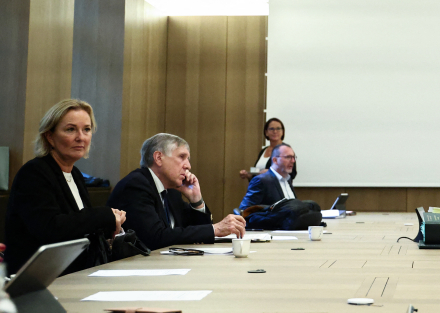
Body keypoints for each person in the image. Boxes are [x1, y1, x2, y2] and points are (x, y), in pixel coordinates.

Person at [4, 99, 126, 275]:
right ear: (50, 137)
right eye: (70, 129)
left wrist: (111, 226)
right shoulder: (33, 173)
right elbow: (50, 228)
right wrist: (103, 215)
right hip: (37, 278)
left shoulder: (75, 174)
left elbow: (79, 228)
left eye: (86, 129)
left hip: (74, 273)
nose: (81, 137)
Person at [107, 133, 246, 251]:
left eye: (188, 159)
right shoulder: (136, 185)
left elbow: (196, 233)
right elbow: (154, 238)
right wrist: (215, 229)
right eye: (181, 157)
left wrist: (196, 200)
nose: (188, 166)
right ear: (158, 158)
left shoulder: (170, 191)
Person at [239, 143, 321, 230]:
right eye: (288, 157)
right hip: (273, 233)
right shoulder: (261, 180)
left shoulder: (288, 180)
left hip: (294, 231)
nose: (293, 161)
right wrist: (274, 216)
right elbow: (244, 211)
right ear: (275, 160)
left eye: (294, 157)